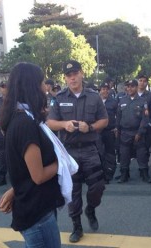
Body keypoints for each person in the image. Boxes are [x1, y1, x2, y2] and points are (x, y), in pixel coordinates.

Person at [0, 62, 64, 248]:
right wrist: (62, 162)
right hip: (37, 212)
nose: (46, 87)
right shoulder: (25, 123)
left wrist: (15, 189)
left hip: (34, 204)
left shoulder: (22, 117)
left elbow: (26, 168)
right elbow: (39, 175)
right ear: (32, 86)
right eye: (42, 82)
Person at [47, 59, 108, 243]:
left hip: (90, 149)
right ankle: (77, 226)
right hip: (69, 152)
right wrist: (64, 124)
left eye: (75, 74)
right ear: (65, 78)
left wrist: (89, 127)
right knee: (73, 190)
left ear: (81, 74)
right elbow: (50, 122)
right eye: (68, 76)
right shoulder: (59, 98)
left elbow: (104, 121)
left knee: (97, 186)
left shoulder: (94, 96)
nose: (72, 78)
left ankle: (91, 209)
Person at [116, 79, 149, 183]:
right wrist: (117, 129)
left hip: (137, 132)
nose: (129, 88)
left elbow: (145, 119)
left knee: (141, 154)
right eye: (128, 86)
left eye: (132, 86)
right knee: (124, 155)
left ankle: (145, 174)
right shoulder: (122, 100)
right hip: (125, 132)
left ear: (136, 87)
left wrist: (140, 132)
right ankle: (124, 175)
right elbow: (118, 117)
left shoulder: (142, 101)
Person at [97, 81, 118, 183]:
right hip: (98, 131)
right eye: (103, 89)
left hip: (110, 131)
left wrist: (117, 127)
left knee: (110, 153)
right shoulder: (96, 101)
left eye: (106, 89)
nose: (105, 91)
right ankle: (100, 173)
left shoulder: (114, 102)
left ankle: (109, 174)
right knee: (99, 152)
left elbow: (119, 116)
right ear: (100, 90)